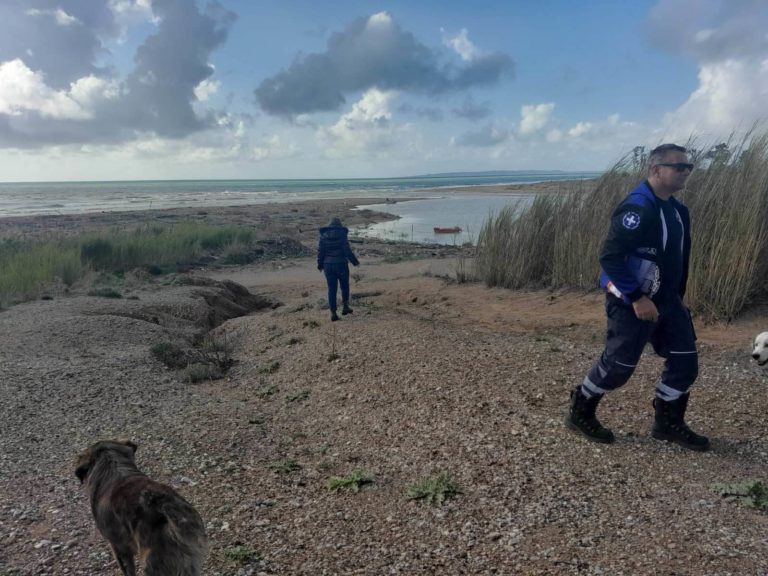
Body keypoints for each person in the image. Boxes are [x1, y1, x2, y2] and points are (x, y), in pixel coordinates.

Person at [566, 143, 709, 451]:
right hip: (631, 302)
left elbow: (678, 258)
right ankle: (580, 410)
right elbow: (610, 257)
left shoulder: (679, 211)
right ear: (656, 170)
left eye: (688, 167)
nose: (686, 172)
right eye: (679, 167)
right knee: (618, 367)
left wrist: (678, 296)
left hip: (669, 303)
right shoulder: (637, 207)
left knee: (685, 362)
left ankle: (667, 423)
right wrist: (636, 297)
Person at [317, 217, 360, 321]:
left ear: (329, 225)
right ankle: (345, 307)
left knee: (331, 289)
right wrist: (355, 262)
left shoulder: (323, 235)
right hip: (341, 264)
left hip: (328, 265)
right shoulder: (342, 234)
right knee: (344, 286)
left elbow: (321, 252)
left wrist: (320, 265)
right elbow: (347, 250)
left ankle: (333, 313)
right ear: (339, 225)